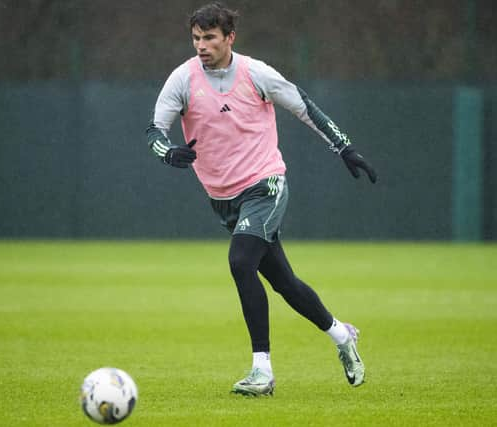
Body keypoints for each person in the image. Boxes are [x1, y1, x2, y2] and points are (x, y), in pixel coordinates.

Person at [146, 2, 377, 396]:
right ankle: (342, 336)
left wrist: (345, 148)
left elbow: (306, 108)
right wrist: (169, 152)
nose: (201, 45)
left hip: (265, 185)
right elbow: (154, 132)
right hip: (223, 199)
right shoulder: (182, 79)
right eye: (196, 38)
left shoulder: (256, 74)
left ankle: (262, 371)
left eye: (210, 38)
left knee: (240, 262)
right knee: (284, 283)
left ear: (229, 38)